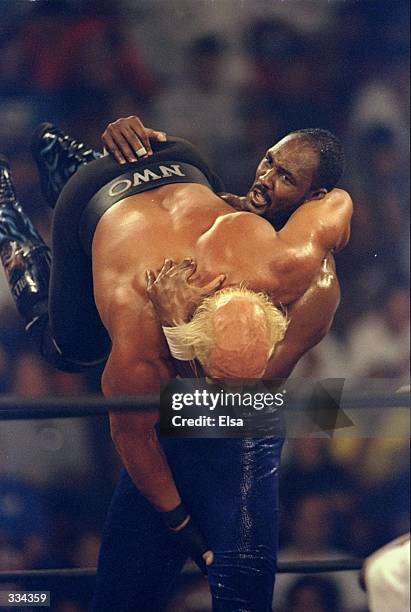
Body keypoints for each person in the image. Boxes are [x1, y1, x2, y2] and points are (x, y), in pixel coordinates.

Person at [0, 117, 352, 611]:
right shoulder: (151, 318)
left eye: (286, 178)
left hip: (182, 166)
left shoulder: (309, 286)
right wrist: (182, 525)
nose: (265, 180)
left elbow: (233, 405)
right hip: (112, 191)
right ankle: (8, 218)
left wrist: (178, 334)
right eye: (269, 163)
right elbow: (132, 433)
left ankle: (69, 163)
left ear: (312, 195)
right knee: (68, 351)